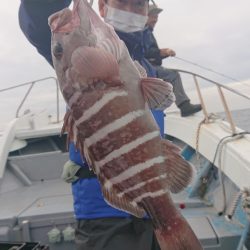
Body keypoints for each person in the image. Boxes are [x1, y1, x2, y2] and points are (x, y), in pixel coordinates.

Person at [18, 0, 163, 249]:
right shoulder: (77, 49)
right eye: (123, 2)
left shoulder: (148, 67)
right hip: (103, 213)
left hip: (155, 205)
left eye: (138, 5)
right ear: (103, 7)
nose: (130, 10)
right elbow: (40, 18)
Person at [144, 4, 202, 117]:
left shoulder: (147, 32)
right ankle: (184, 106)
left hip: (150, 67)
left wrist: (164, 53)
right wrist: (161, 52)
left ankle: (158, 109)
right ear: (144, 16)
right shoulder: (143, 31)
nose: (155, 19)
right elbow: (143, 52)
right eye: (153, 16)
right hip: (146, 68)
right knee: (173, 75)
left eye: (156, 17)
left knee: (167, 79)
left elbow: (152, 53)